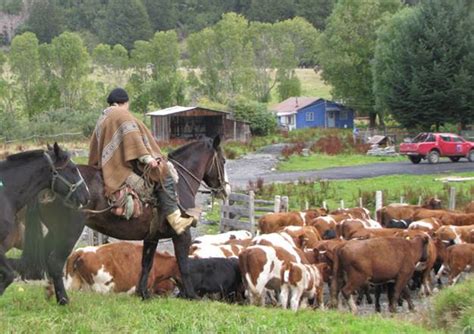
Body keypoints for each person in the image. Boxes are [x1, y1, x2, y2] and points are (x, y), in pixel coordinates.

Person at [88, 88, 197, 235]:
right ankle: (176, 220)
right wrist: (148, 158)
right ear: (125, 102)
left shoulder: (104, 116)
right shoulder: (122, 114)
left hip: (105, 166)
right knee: (163, 174)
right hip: (119, 170)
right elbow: (133, 140)